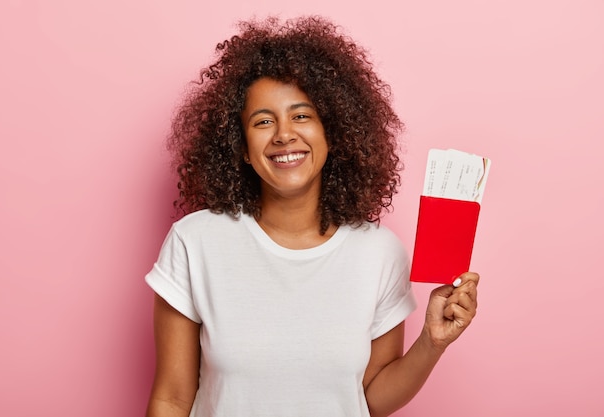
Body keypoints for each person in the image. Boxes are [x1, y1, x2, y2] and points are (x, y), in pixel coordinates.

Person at [145, 15, 479, 417]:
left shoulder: (379, 251)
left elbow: (371, 400)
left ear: (333, 133)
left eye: (301, 116)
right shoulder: (194, 241)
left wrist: (432, 341)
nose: (284, 134)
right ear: (240, 146)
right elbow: (171, 399)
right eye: (263, 121)